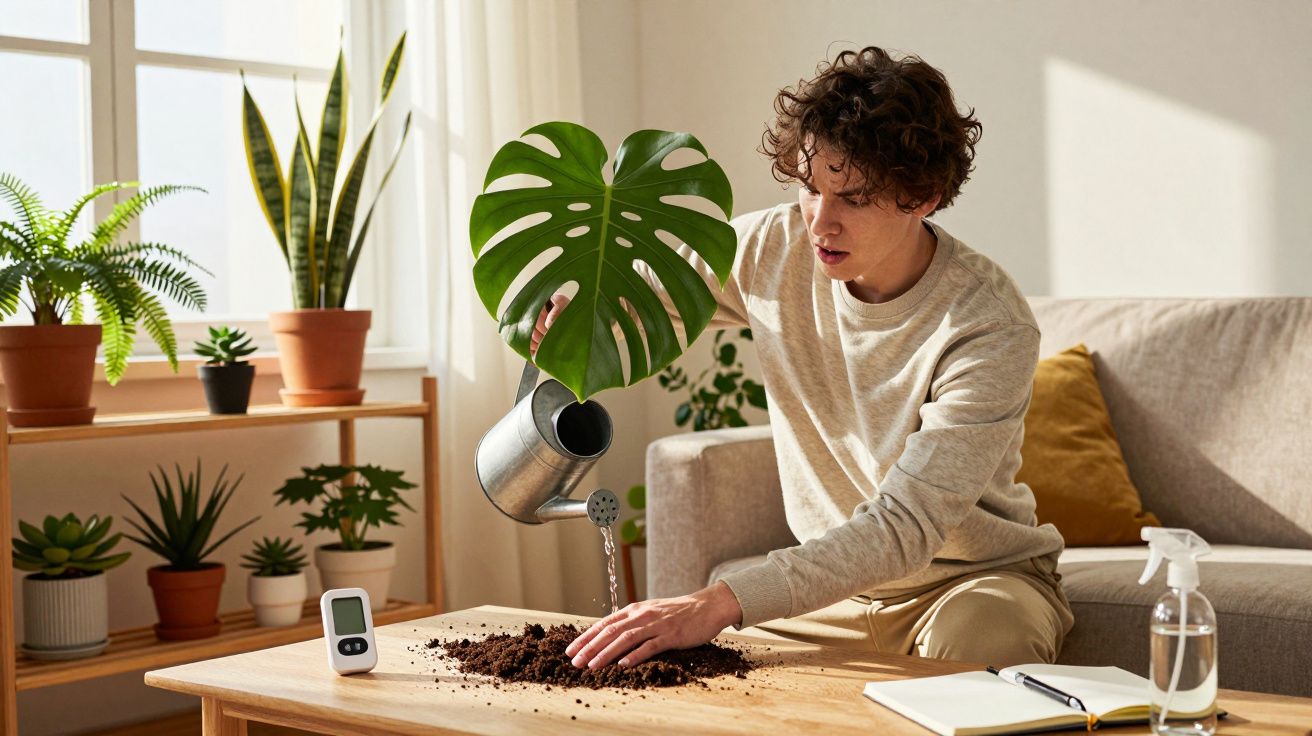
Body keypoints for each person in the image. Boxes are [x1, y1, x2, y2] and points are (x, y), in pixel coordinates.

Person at [531, 46, 1074, 671]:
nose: (821, 221)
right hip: (833, 592)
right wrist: (575, 307)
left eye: (855, 198)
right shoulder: (772, 245)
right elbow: (646, 303)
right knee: (692, 674)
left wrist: (716, 601)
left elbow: (908, 526)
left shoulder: (987, 323)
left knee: (981, 650)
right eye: (810, 187)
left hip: (968, 585)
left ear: (922, 196)